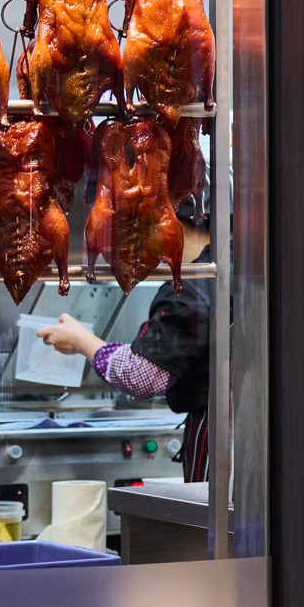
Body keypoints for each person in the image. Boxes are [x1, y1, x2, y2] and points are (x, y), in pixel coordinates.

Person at [35, 197, 212, 480]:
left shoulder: (189, 290)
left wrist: (82, 340)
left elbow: (140, 375)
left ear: (170, 225)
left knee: (223, 524)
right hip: (248, 433)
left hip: (219, 437)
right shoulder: (230, 267)